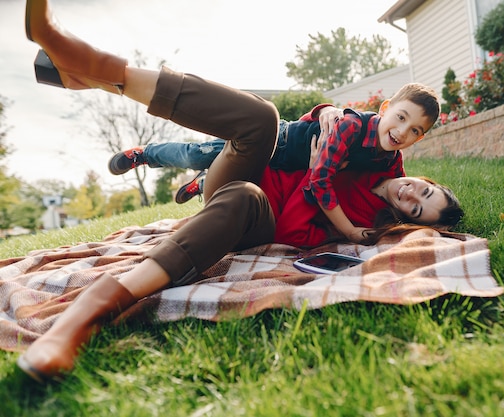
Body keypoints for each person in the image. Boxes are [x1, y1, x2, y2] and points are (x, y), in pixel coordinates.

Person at [17, 0, 463, 382]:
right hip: (242, 164)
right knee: (264, 118)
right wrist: (329, 111)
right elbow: (349, 120)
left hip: (256, 210)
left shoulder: (368, 222)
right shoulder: (386, 154)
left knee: (245, 195)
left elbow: (297, 220)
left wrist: (330, 210)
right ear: (426, 178)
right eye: (425, 191)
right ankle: (100, 68)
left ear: (409, 221)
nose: (411, 195)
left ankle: (87, 315)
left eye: (418, 210)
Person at [109, 83, 441, 241]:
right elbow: (320, 182)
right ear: (384, 110)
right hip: (274, 141)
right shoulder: (352, 127)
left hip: (271, 171)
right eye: (399, 118)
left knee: (218, 169)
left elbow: (402, 187)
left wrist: (432, 225)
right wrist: (350, 231)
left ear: (420, 138)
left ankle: (203, 183)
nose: (401, 132)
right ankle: (145, 154)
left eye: (414, 130)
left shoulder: (390, 162)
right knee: (196, 153)